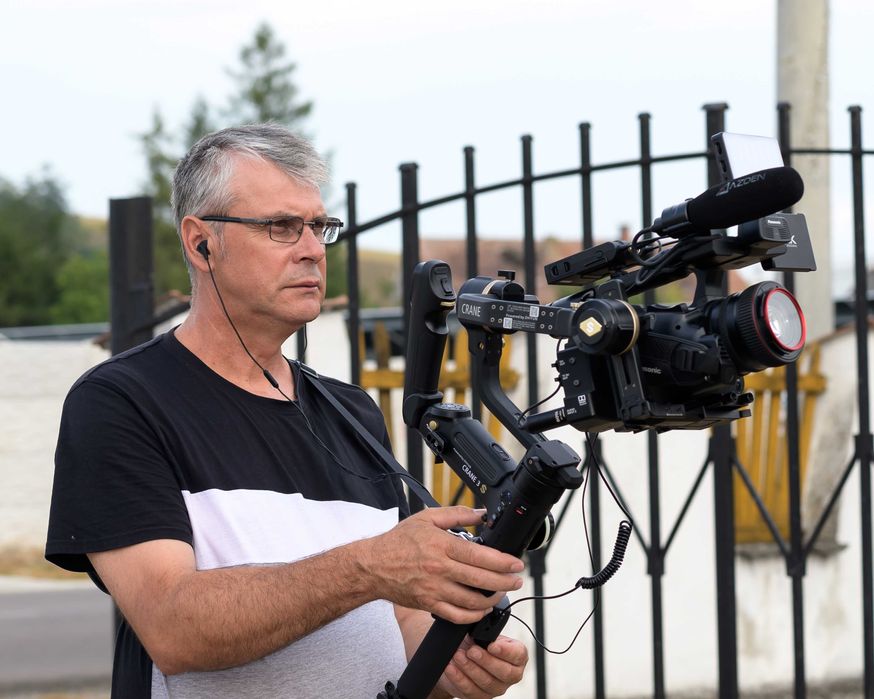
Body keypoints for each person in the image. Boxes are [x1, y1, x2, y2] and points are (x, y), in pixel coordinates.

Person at [46, 124, 529, 698]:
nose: (312, 249)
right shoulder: (121, 402)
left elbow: (396, 616)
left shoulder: (351, 412)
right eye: (281, 226)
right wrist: (368, 566)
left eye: (319, 227)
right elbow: (173, 627)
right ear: (201, 243)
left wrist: (451, 662)